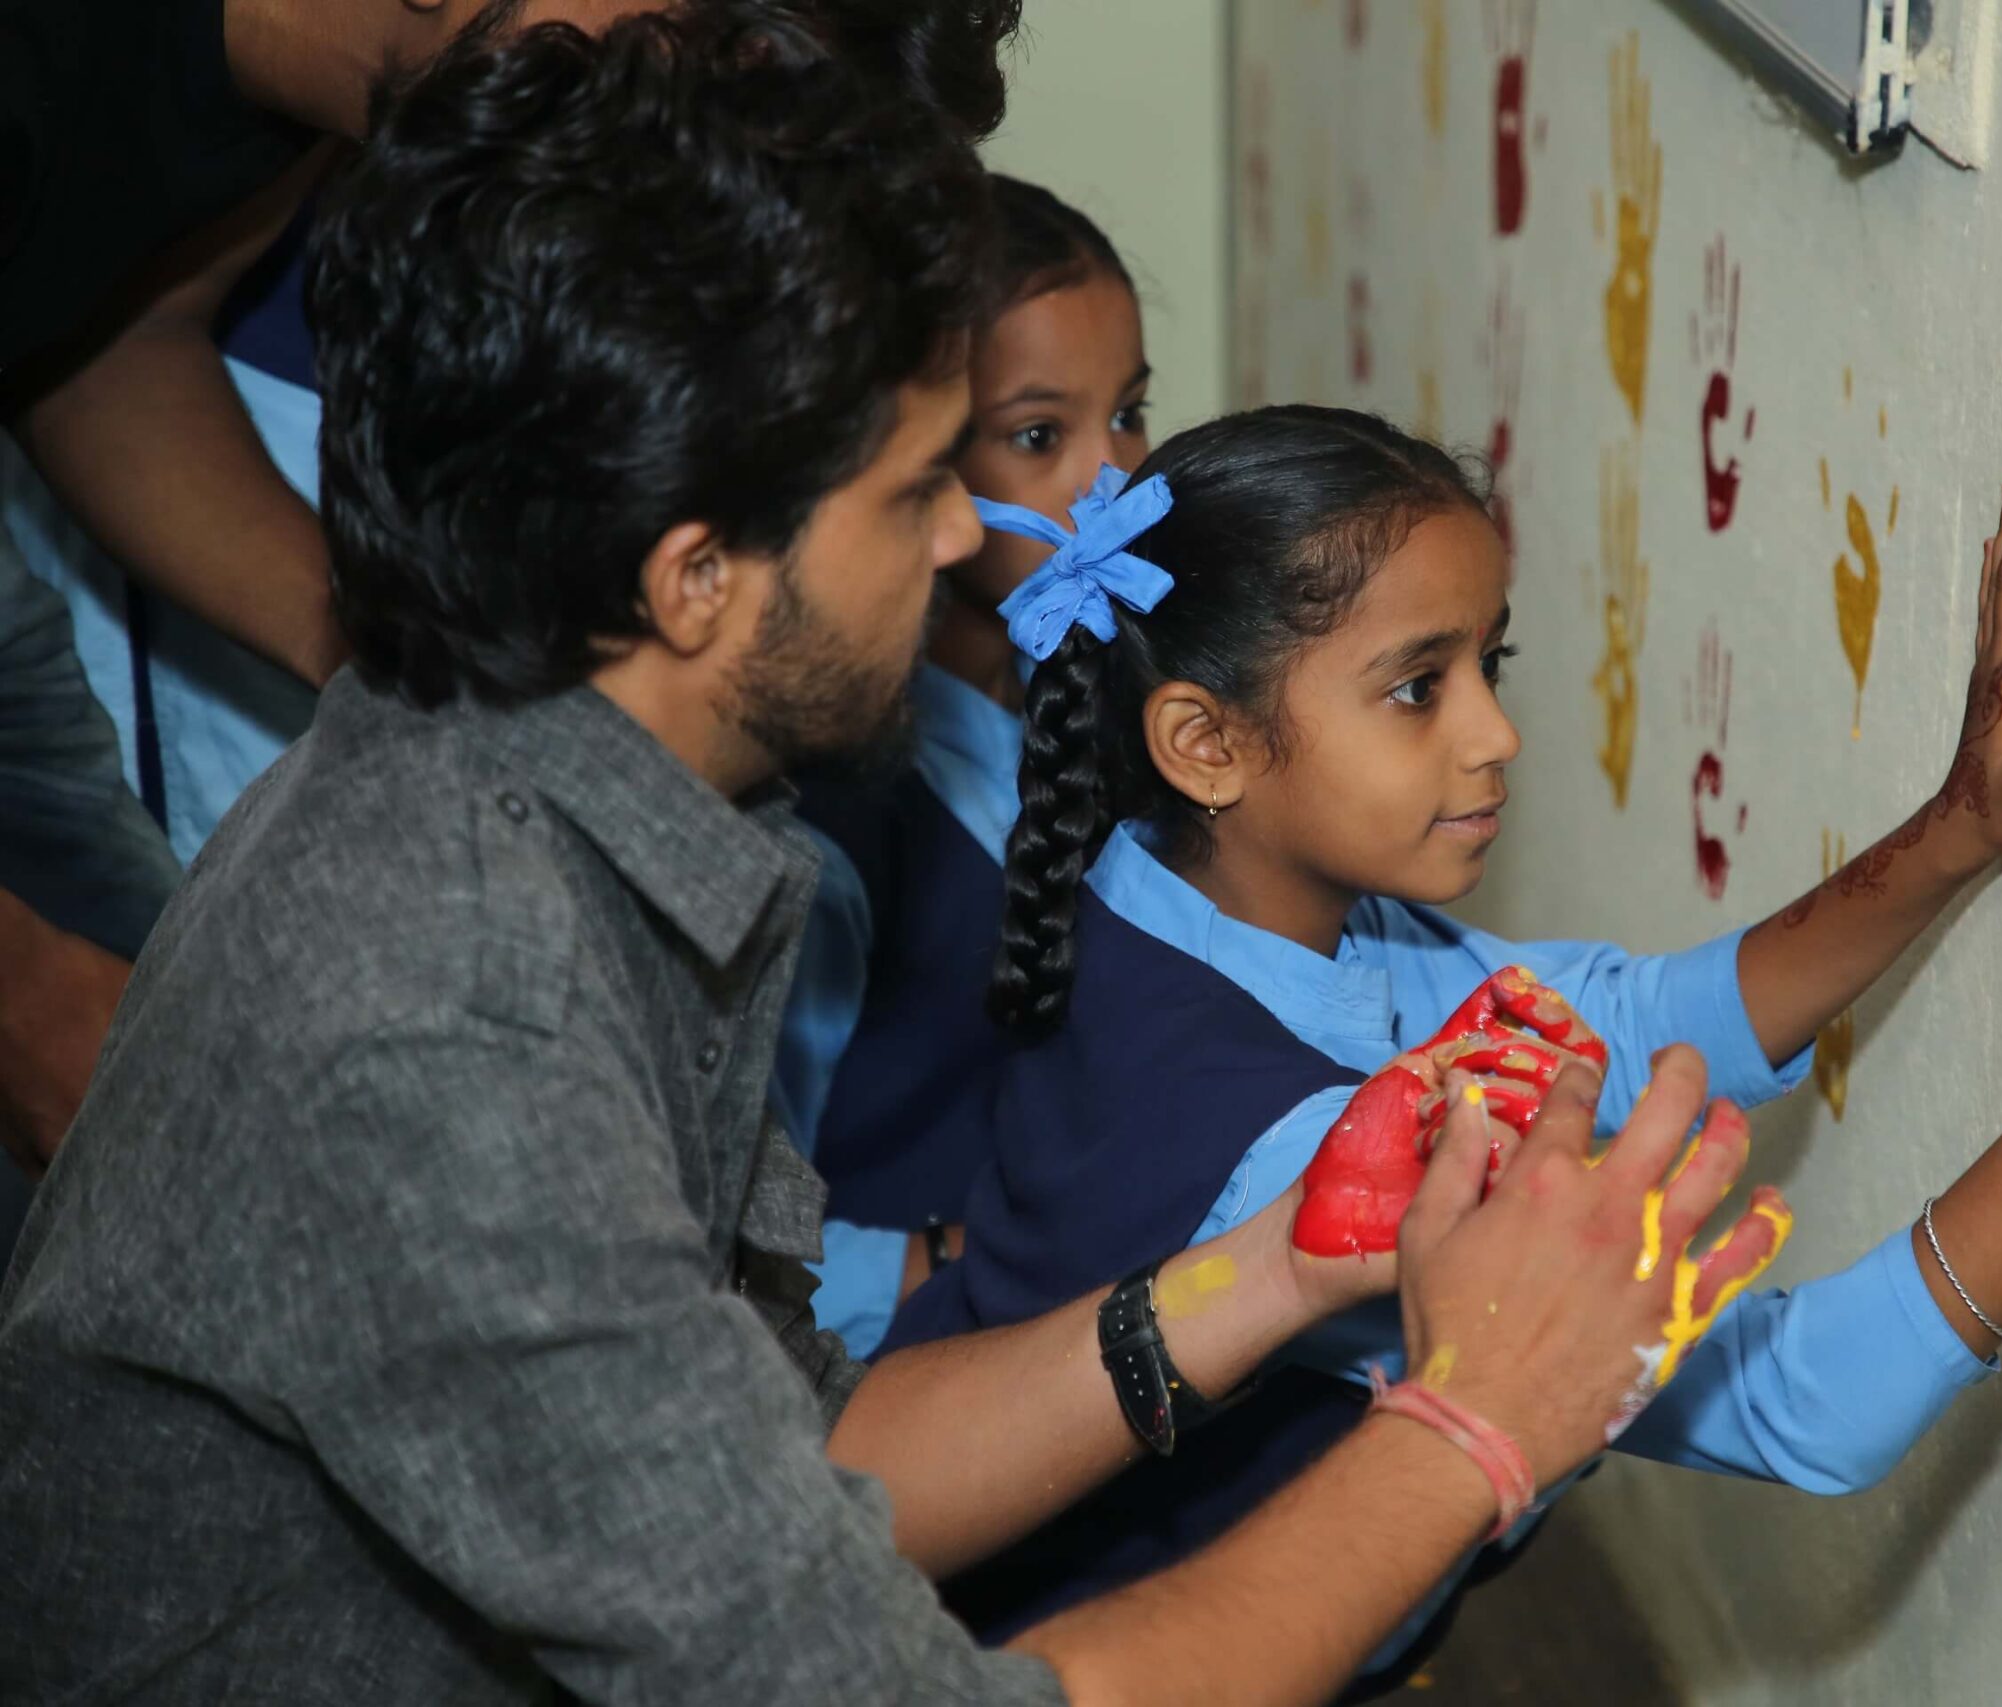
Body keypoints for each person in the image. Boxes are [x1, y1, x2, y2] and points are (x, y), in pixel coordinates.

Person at [0, 16, 1795, 1703]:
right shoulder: (451, 1025)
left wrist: (1274, 1273)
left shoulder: (573, 794)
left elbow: (810, 1450)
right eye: (913, 484)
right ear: (695, 574)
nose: (962, 534)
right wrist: (1481, 1425)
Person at [877, 406, 2002, 1683]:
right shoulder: (1307, 1162)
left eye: (1488, 663)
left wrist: (1957, 829)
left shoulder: (1178, 873)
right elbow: (1811, 1395)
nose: (1497, 732)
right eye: (1418, 684)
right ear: (1206, 741)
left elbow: (1625, 1021)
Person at [0, 0, 1025, 1190]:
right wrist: (25, 998)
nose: (643, 197)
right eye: (667, 102)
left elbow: (109, 353)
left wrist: (400, 652)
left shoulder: (355, 82)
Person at [777, 174, 1155, 1349]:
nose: (1113, 481)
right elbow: (721, 1244)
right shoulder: (830, 820)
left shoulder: (1117, 706)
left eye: (1132, 413)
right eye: (1039, 436)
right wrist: (978, 1261)